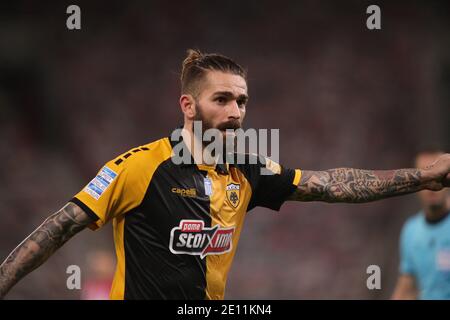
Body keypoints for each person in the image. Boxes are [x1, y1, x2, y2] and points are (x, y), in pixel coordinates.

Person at [0, 49, 449, 300]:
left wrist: (423, 176)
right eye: (222, 99)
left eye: (242, 100)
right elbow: (57, 229)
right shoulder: (138, 166)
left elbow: (330, 184)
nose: (236, 112)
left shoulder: (249, 168)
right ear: (188, 105)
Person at [392, 150, 450, 300]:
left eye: (439, 175)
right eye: (424, 177)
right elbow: (407, 289)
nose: (432, 184)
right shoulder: (411, 230)